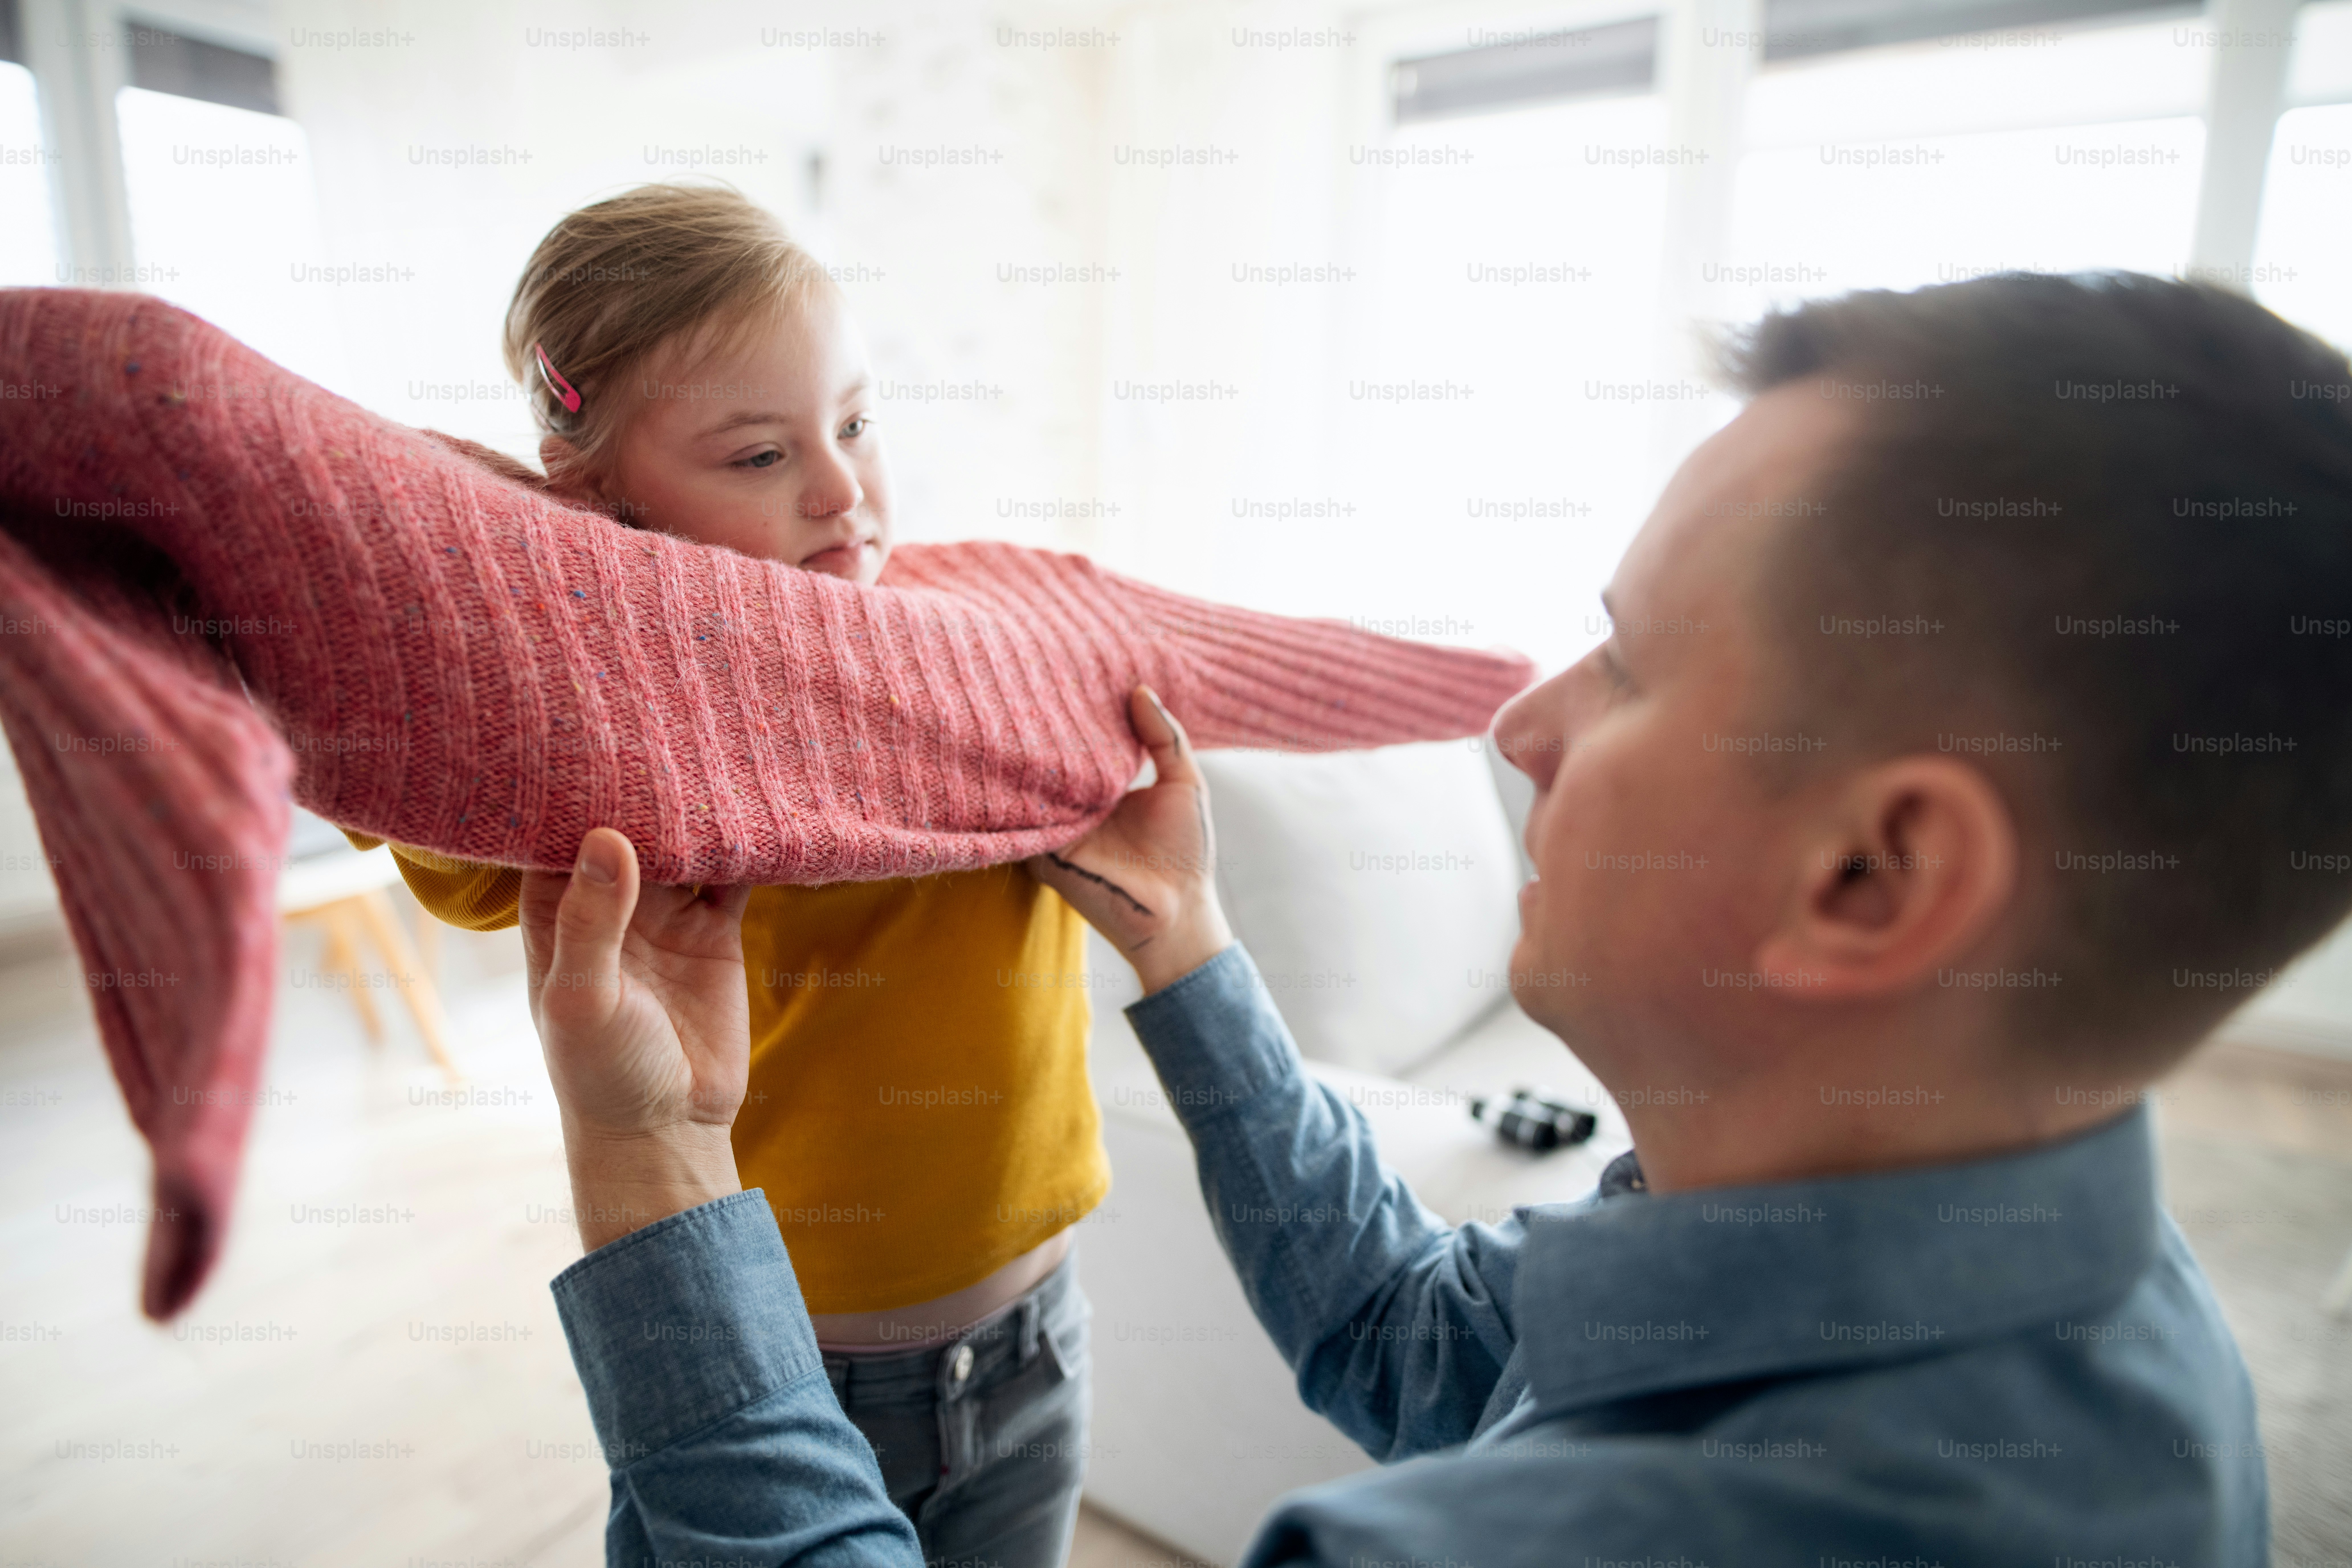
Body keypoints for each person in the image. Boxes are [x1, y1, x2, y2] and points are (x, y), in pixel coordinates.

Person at [520, 273, 2352, 1565]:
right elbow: (1410, 1336)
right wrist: (1190, 950)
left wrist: (661, 1176)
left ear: (1875, 878)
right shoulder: (2081, 1291)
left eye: (1629, 665)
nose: (1525, 723)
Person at [350, 183, 1102, 1563]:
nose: (842, 488)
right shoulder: (629, 738)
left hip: (1036, 1340)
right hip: (767, 1363)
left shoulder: (979, 649)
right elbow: (463, 852)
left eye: (859, 422)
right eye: (760, 456)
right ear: (603, 500)